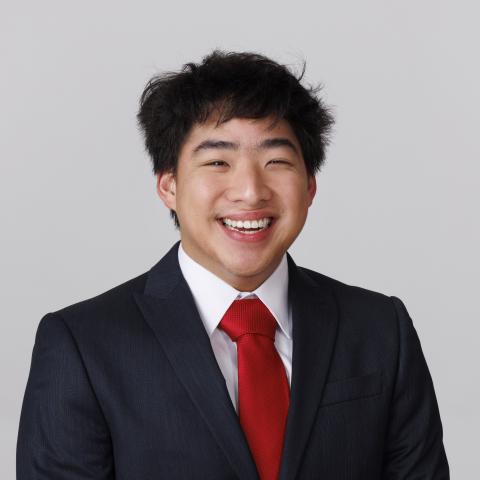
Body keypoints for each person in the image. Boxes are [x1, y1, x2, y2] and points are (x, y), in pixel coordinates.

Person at [16, 50, 449, 479]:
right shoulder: (82, 345)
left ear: (310, 185)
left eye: (276, 161)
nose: (249, 191)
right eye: (218, 162)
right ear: (169, 186)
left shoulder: (380, 330)